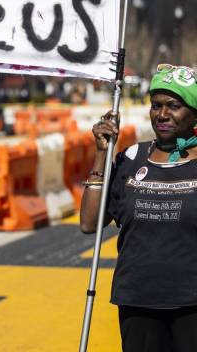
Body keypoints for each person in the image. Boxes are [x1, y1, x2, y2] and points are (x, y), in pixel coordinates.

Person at [80, 64, 197, 352]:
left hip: (192, 303)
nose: (162, 114)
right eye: (156, 105)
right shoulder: (131, 158)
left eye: (174, 106)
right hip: (137, 300)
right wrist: (101, 155)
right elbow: (89, 223)